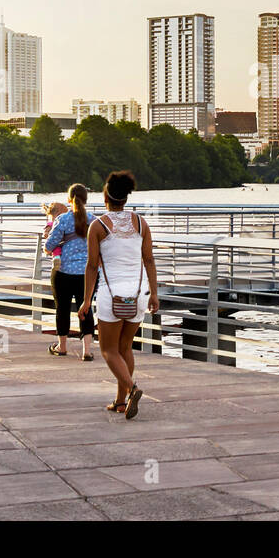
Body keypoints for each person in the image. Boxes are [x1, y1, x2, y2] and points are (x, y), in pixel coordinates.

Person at [81, 171, 157, 419]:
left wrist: (85, 300)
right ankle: (120, 401)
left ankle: (133, 388)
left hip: (111, 296)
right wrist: (154, 295)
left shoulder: (98, 225)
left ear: (106, 197)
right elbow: (149, 260)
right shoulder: (140, 223)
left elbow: (92, 266)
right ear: (125, 198)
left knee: (108, 350)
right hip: (138, 295)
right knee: (125, 348)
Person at [44, 186, 95, 361]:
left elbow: (49, 246)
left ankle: (62, 346)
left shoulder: (63, 219)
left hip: (63, 272)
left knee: (62, 309)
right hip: (87, 274)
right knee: (86, 309)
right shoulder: (93, 220)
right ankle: (87, 351)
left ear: (69, 200)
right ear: (86, 200)